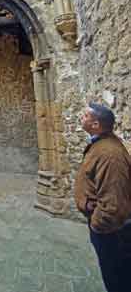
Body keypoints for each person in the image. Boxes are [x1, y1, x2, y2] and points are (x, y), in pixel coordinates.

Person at [74, 102, 131, 292]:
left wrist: (97, 225)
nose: (81, 116)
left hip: (110, 231)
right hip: (107, 228)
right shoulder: (101, 144)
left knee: (117, 278)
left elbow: (113, 204)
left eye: (86, 115)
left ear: (96, 124)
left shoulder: (109, 154)